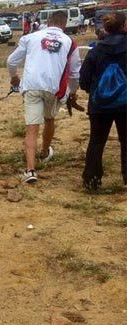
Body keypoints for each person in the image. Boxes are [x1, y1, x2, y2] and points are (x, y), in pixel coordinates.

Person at [7, 10, 81, 184]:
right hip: (54, 88)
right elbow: (75, 73)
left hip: (32, 85)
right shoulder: (70, 43)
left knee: (32, 128)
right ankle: (45, 151)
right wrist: (73, 92)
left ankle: (30, 170)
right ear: (65, 23)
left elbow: (11, 61)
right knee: (49, 120)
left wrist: (14, 77)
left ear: (48, 21)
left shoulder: (31, 37)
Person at [79, 12, 127, 191]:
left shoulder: (96, 50)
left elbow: (84, 79)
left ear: (106, 28)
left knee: (97, 142)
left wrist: (94, 90)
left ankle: (92, 179)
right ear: (124, 26)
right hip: (125, 103)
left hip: (100, 103)